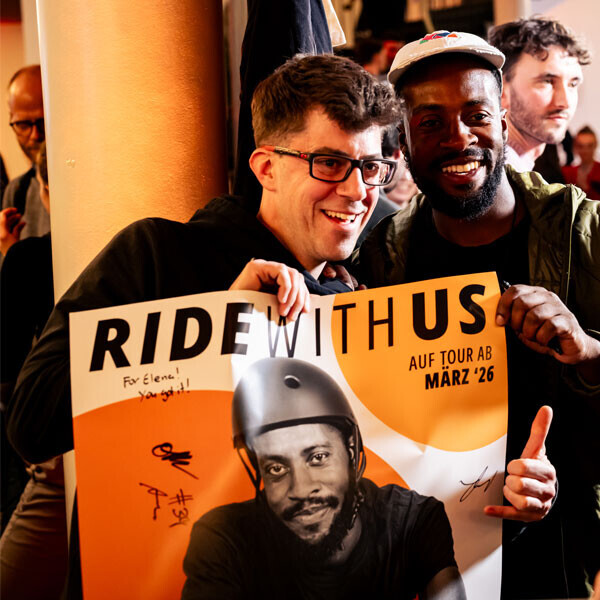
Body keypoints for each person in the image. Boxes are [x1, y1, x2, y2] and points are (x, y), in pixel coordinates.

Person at [6, 54, 400, 597]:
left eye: (371, 167)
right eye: (329, 163)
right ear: (266, 168)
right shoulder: (156, 255)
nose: (358, 190)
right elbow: (33, 422)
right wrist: (218, 329)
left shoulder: (360, 294)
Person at [356, 30, 600, 599]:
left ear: (504, 121)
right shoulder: (381, 257)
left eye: (477, 115)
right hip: (426, 560)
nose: (459, 137)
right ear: (403, 143)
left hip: (554, 559)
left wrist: (588, 350)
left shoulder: (583, 235)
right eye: (431, 123)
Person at [182, 357, 465, 600]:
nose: (301, 489)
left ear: (351, 451)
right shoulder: (225, 539)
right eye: (276, 468)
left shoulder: (412, 521)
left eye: (317, 457)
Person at [0, 141, 68, 600]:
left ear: (44, 193)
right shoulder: (153, 246)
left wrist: (12, 260)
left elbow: (5, 368)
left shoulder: (29, 260)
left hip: (53, 442)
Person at [488, 16, 590, 175]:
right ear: (500, 91)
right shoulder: (492, 178)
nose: (565, 102)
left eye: (572, 84)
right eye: (547, 82)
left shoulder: (516, 171)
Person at [2, 65, 50, 241]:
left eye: (43, 121)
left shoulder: (83, 186)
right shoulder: (16, 192)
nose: (35, 135)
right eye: (23, 125)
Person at [562, 125, 600, 199]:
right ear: (575, 147)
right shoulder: (567, 172)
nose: (585, 151)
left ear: (595, 145)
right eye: (581, 146)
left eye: (589, 146)